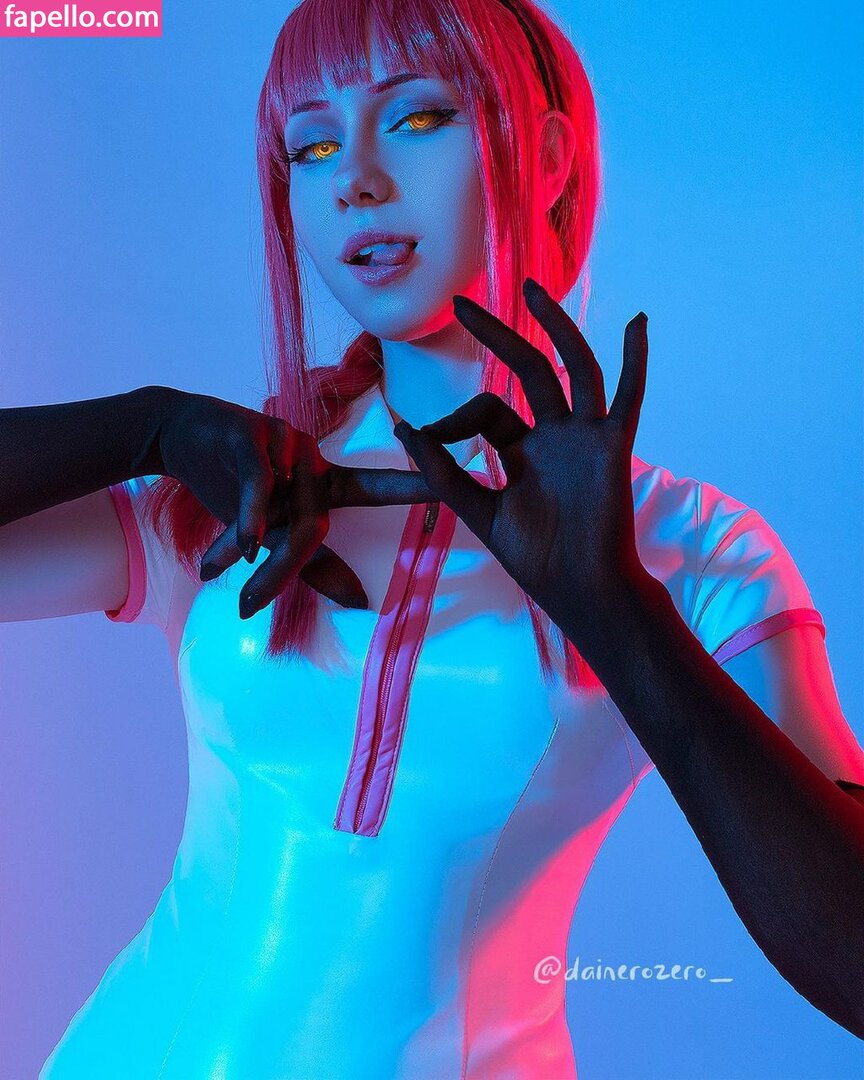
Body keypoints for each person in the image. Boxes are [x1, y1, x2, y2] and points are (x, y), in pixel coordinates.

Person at [2, 1, 862, 1076]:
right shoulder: (230, 491)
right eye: (312, 146)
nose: (354, 180)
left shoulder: (700, 554)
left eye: (416, 118)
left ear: (548, 155)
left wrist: (618, 612)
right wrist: (147, 426)